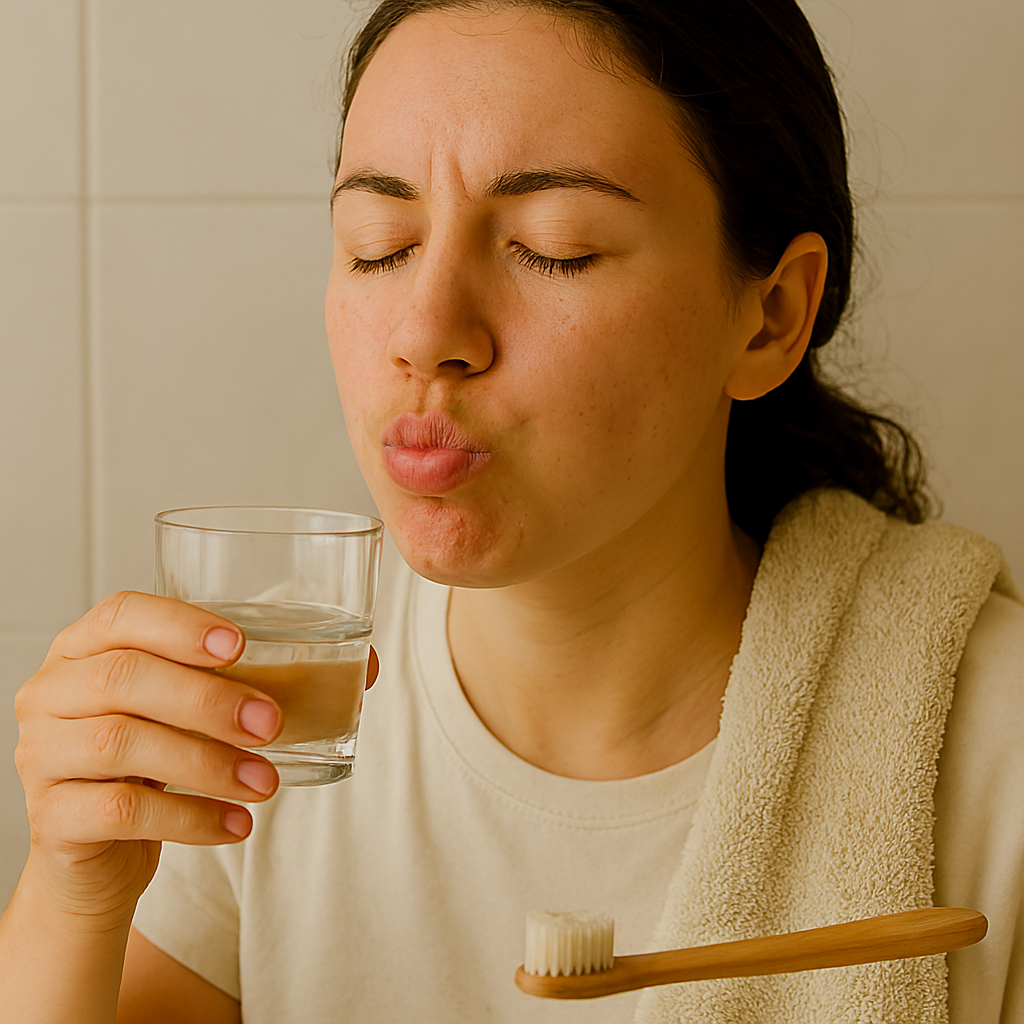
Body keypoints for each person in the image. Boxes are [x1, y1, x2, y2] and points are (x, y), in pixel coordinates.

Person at [3, 1, 1022, 1021]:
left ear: (771, 316)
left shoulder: (991, 756)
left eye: (555, 247)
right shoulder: (253, 724)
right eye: (378, 243)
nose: (426, 331)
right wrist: (72, 894)